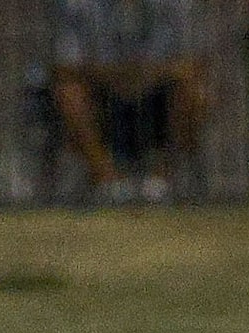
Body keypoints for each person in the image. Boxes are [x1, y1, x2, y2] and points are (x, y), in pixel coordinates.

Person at [51, 0, 207, 202]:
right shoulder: (78, 5)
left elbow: (194, 64)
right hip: (104, 98)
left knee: (194, 91)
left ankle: (159, 183)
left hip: (157, 96)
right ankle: (108, 181)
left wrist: (146, 75)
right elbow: (64, 67)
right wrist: (121, 75)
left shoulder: (178, 5)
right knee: (68, 92)